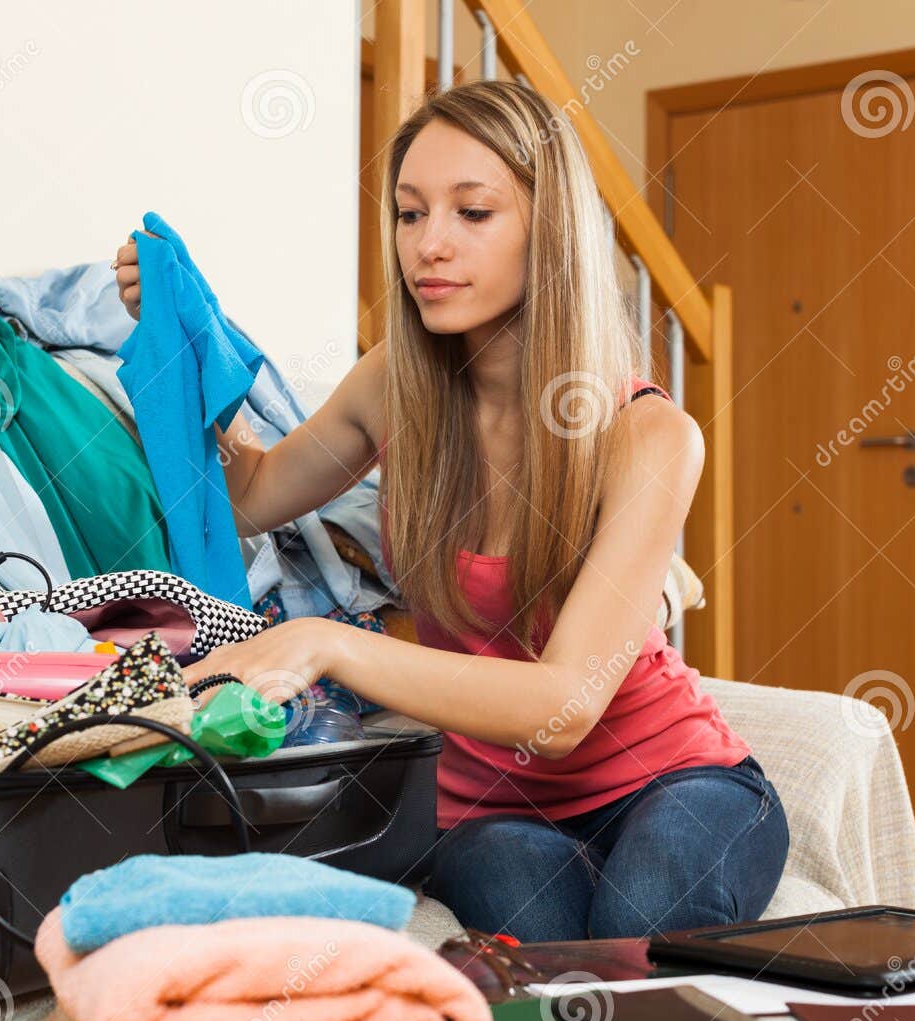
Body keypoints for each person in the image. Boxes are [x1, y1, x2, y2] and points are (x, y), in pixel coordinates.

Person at [111, 80, 787, 942]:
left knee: (640, 921)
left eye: (473, 213)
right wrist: (183, 334)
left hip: (673, 777)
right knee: (543, 961)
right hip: (490, 810)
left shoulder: (648, 434)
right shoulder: (395, 387)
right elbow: (247, 493)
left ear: (551, 231)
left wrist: (328, 641)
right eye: (408, 212)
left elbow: (566, 704)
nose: (428, 246)